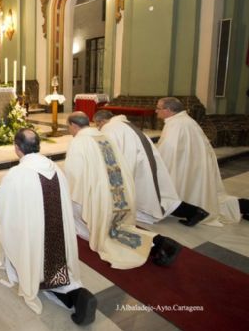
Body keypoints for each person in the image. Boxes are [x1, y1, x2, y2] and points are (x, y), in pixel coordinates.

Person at [0, 129, 97, 325]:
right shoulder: (54, 167)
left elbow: (2, 205)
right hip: (56, 233)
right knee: (54, 265)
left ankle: (76, 297)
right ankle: (76, 293)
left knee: (36, 268)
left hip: (34, 234)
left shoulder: (17, 173)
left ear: (17, 148)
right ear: (39, 146)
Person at [64, 112, 181, 269]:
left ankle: (158, 243)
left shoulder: (79, 142)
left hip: (97, 193)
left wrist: (69, 195)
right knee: (116, 225)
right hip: (117, 190)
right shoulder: (102, 136)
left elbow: (74, 174)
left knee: (104, 232)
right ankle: (159, 243)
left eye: (68, 127)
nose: (69, 130)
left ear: (74, 125)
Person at [94, 110, 209, 226]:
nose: (99, 128)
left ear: (103, 121)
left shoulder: (110, 127)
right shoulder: (124, 124)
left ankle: (194, 212)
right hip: (144, 162)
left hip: (137, 166)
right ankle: (195, 211)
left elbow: (109, 151)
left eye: (98, 124)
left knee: (151, 199)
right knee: (157, 196)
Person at [155, 97, 249, 224]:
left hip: (190, 167)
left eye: (159, 108)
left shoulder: (177, 124)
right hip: (194, 166)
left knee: (208, 200)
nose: (156, 111)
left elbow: (168, 152)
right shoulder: (182, 121)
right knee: (208, 197)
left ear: (169, 110)